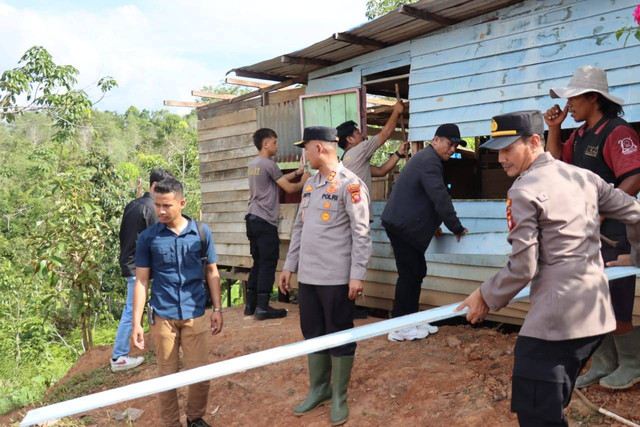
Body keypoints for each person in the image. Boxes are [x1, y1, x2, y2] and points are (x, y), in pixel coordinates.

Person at [456, 110, 640, 426]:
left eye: (509, 148)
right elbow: (635, 211)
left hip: (558, 320)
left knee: (537, 411)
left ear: (535, 141)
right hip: (595, 313)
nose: (501, 159)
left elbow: (522, 266)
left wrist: (485, 295)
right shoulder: (583, 177)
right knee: (548, 404)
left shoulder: (523, 190)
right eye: (497, 151)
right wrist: (635, 255)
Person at [544, 65, 640, 389]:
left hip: (616, 235)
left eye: (573, 99)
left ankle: (632, 363)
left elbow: (634, 177)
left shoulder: (617, 133)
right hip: (589, 234)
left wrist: (603, 209)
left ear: (593, 98)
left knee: (617, 300)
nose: (568, 105)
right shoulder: (581, 135)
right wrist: (554, 128)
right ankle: (605, 360)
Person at [278, 126, 371, 426]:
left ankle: (339, 396)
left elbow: (361, 234)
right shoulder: (309, 185)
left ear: (318, 148)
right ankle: (319, 389)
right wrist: (289, 266)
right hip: (309, 278)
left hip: (337, 278)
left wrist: (357, 275)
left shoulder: (350, 184)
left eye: (305, 148)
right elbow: (299, 230)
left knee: (340, 334)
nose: (303, 154)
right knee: (312, 332)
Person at [131, 177, 223, 427]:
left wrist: (217, 308)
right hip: (163, 316)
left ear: (181, 203)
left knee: (201, 375)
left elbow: (212, 272)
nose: (160, 210)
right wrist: (136, 323)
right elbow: (141, 281)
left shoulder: (201, 233)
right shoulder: (148, 238)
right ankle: (172, 423)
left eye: (167, 205)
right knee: (166, 377)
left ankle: (195, 418)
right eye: (157, 205)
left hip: (196, 313)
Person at [380, 124, 468, 342]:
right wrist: (455, 226)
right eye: (450, 143)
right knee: (409, 274)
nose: (453, 149)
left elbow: (422, 197)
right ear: (436, 139)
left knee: (417, 271)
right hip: (402, 228)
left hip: (404, 225)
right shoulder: (429, 161)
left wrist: (432, 223)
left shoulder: (427, 159)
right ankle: (400, 326)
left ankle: (410, 320)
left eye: (456, 145)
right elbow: (439, 196)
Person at [111, 168, 173, 372]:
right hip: (138, 267)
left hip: (129, 262)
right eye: (163, 190)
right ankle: (119, 356)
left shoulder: (133, 204)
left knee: (137, 305)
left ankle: (155, 341)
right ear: (155, 186)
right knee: (132, 308)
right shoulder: (151, 209)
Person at [245, 128, 310, 320]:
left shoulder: (254, 164)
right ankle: (263, 307)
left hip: (251, 218)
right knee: (268, 262)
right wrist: (304, 180)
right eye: (274, 142)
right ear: (265, 144)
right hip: (265, 221)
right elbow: (288, 187)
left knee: (257, 262)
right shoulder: (269, 164)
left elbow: (276, 180)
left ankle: (251, 304)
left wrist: (297, 172)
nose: (276, 145)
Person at [337, 101, 408, 200]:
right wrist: (396, 111)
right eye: (358, 133)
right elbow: (385, 133)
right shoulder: (359, 150)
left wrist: (399, 153)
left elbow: (381, 171)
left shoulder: (347, 160)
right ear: (350, 139)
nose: (363, 135)